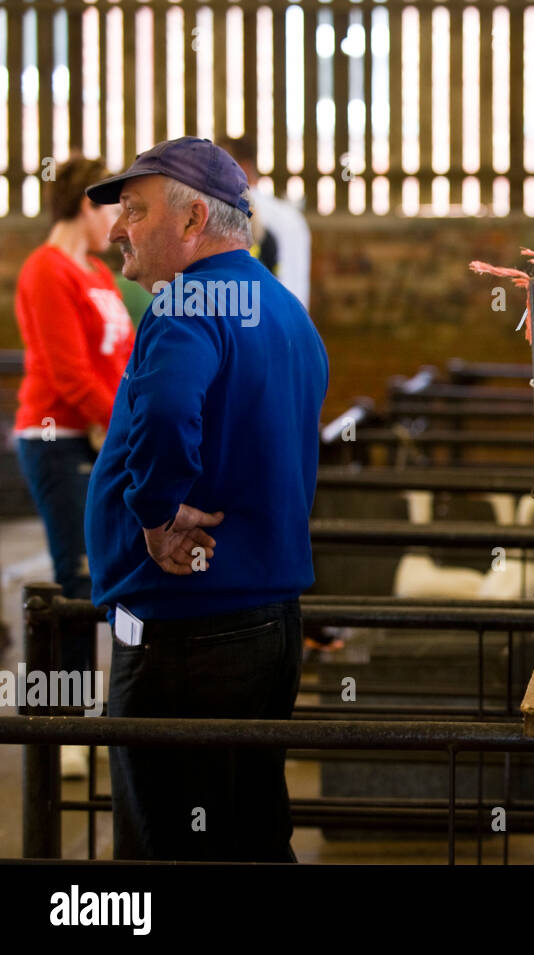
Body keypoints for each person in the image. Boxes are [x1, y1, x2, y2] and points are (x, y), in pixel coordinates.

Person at [83, 137, 329, 861]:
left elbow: (163, 412)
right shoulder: (285, 311)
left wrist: (155, 515)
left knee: (167, 847)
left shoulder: (185, 303)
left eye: (135, 209)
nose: (117, 228)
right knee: (251, 836)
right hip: (268, 628)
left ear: (192, 222)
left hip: (186, 633)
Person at [12, 155, 135, 778]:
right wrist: (130, 427)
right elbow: (68, 375)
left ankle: (91, 716)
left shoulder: (98, 275)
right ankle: (66, 724)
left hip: (96, 436)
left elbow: (122, 363)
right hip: (55, 436)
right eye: (110, 207)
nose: (117, 223)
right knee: (74, 573)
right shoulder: (44, 271)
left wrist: (135, 415)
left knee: (97, 572)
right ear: (84, 204)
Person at [218, 136, 313, 309]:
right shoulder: (292, 216)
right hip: (295, 319)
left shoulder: (235, 210)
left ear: (242, 168)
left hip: (258, 319)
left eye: (219, 166)